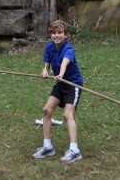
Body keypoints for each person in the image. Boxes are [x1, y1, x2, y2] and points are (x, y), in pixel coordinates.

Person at [32, 20, 84, 163]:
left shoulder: (69, 48)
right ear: (50, 35)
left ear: (66, 35)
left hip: (73, 85)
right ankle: (48, 147)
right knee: (46, 111)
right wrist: (45, 71)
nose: (57, 35)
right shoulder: (49, 47)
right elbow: (46, 65)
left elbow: (65, 62)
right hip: (59, 84)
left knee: (68, 115)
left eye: (60, 32)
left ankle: (74, 150)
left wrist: (60, 73)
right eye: (54, 33)